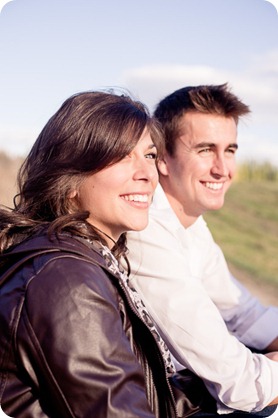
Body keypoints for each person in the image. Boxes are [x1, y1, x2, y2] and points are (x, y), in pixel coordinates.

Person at [0, 90, 182, 417]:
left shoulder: (89, 260)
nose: (147, 175)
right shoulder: (66, 280)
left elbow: (148, 396)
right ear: (70, 181)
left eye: (149, 155)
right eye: (123, 156)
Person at [126, 84, 278, 416]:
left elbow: (242, 313)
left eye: (231, 150)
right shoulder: (146, 227)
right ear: (163, 158)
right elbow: (239, 383)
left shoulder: (190, 221)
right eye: (206, 149)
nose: (223, 169)